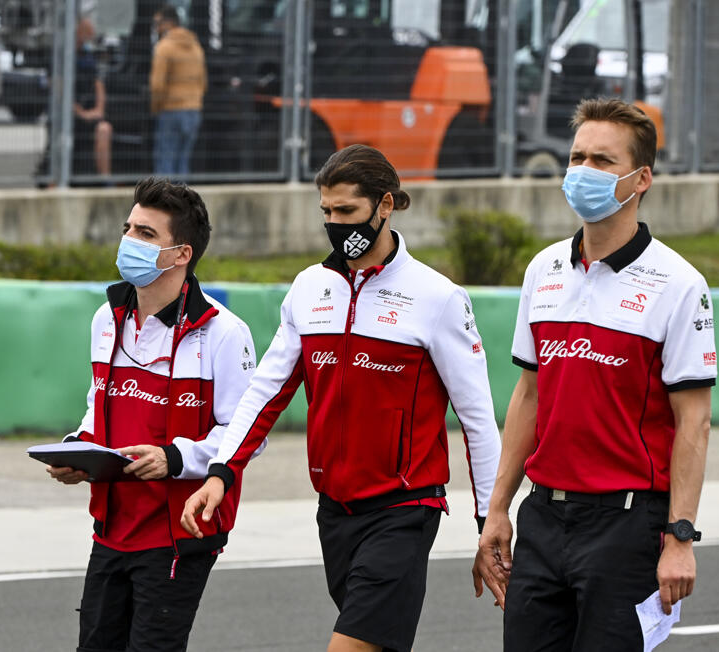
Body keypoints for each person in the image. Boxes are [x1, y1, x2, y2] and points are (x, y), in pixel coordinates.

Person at [182, 145, 502, 652]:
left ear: (385, 205)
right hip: (333, 511)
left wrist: (491, 519)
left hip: (405, 508)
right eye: (327, 213)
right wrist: (222, 471)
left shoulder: (437, 297)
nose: (335, 224)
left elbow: (478, 419)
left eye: (347, 212)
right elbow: (265, 391)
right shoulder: (309, 288)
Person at [474, 98, 717, 651]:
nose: (583, 171)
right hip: (542, 517)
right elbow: (528, 397)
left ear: (641, 179)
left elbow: (694, 422)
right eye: (577, 157)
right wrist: (497, 510)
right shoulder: (543, 269)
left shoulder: (679, 283)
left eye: (603, 161)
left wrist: (680, 535)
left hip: (628, 525)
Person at [47, 177, 259, 652]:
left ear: (181, 254)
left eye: (145, 234)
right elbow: (97, 403)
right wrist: (76, 450)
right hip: (111, 527)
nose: (128, 240)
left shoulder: (225, 332)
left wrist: (176, 458)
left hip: (178, 533)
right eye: (128, 228)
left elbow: (248, 433)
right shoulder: (106, 318)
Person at [150, 5, 206, 177]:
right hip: (193, 110)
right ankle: (182, 203)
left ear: (168, 23)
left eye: (157, 23)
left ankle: (164, 204)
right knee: (183, 163)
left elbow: (157, 85)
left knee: (165, 162)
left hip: (171, 109)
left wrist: (156, 107)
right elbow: (203, 82)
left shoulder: (164, 47)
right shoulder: (196, 47)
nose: (156, 28)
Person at [74, 16, 113, 178]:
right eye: (87, 34)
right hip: (69, 118)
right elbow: (59, 94)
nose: (90, 38)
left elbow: (99, 86)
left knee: (104, 129)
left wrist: (98, 110)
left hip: (90, 115)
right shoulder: (62, 57)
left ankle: (105, 182)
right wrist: (80, 113)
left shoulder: (89, 58)